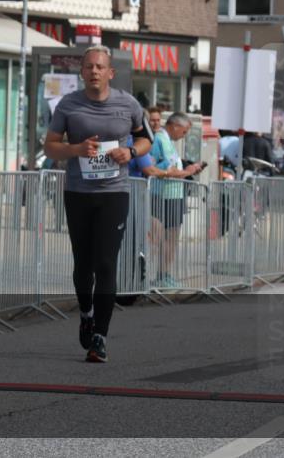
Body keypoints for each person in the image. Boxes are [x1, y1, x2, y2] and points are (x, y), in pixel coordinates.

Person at [43, 45, 152, 363]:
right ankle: (86, 312)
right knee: (83, 266)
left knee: (106, 264)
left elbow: (146, 139)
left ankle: (100, 337)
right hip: (78, 192)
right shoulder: (69, 104)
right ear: (82, 72)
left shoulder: (127, 103)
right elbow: (50, 147)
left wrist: (130, 153)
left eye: (100, 67)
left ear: (110, 72)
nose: (94, 71)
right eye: (89, 66)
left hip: (114, 193)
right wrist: (75, 150)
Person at [149, 113, 204, 288]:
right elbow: (152, 168)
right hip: (160, 195)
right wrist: (186, 172)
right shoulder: (158, 139)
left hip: (174, 195)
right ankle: (156, 276)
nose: (184, 135)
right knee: (158, 239)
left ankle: (164, 275)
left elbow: (171, 166)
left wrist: (187, 169)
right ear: (174, 126)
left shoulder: (169, 141)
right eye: (184, 131)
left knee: (172, 239)